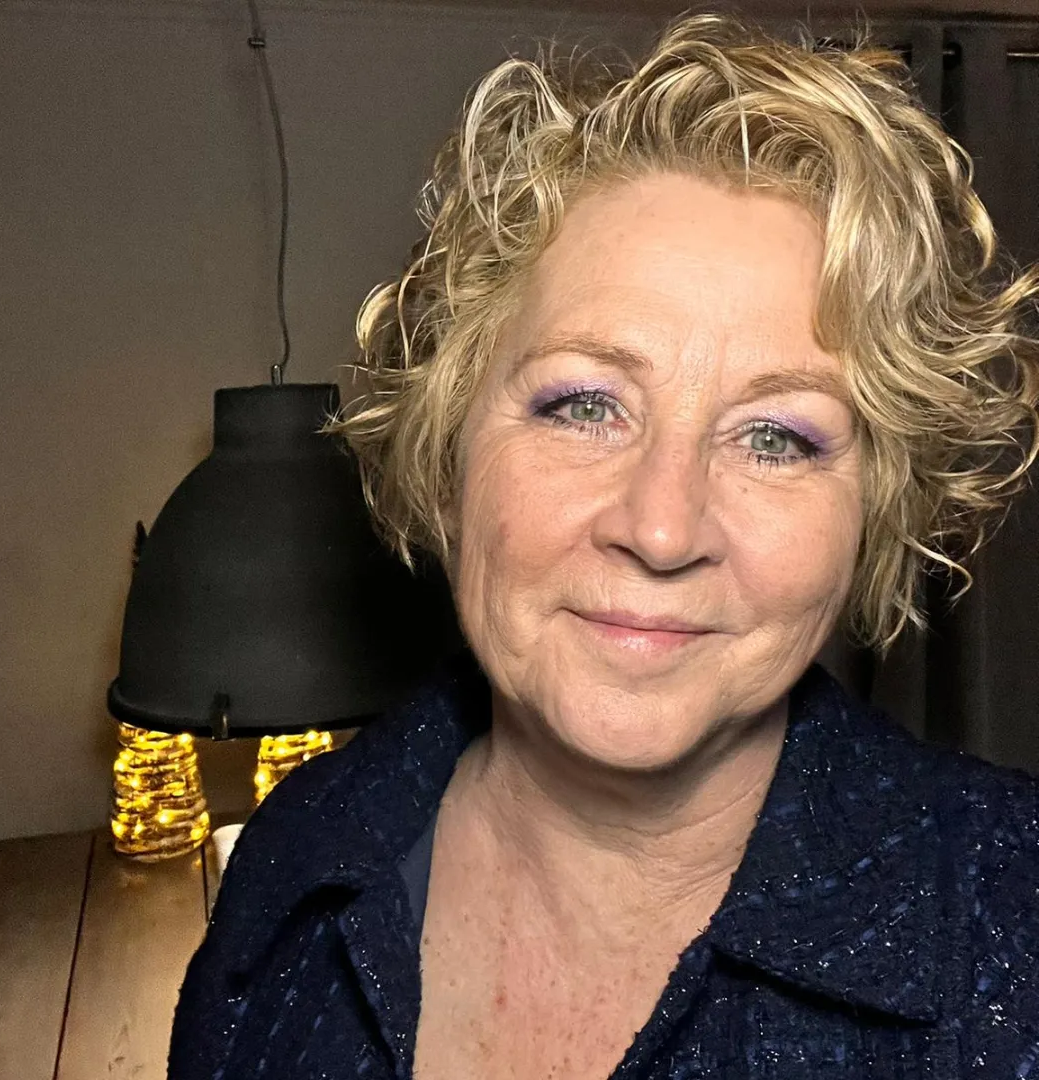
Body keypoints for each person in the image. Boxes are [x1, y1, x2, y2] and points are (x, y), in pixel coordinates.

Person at [168, 13, 1039, 1080]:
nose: (662, 530)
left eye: (775, 436)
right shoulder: (291, 862)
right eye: (584, 406)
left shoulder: (1013, 921)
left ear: (875, 510)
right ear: (448, 443)